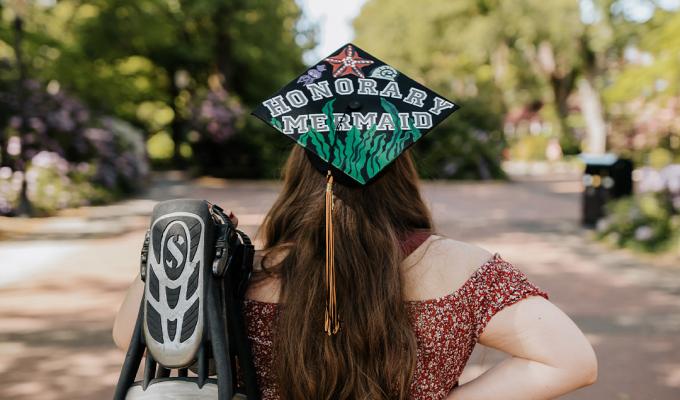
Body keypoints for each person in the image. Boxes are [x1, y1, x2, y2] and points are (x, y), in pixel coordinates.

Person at [113, 43, 597, 399]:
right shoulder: (466, 269)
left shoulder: (243, 270)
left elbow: (130, 335)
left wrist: (175, 252)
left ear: (299, 172)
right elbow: (571, 360)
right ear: (400, 168)